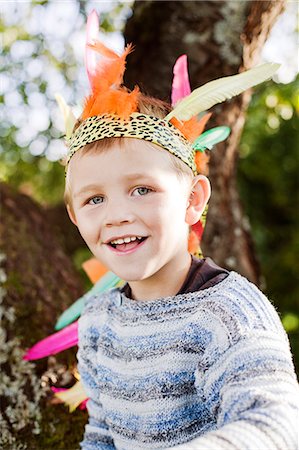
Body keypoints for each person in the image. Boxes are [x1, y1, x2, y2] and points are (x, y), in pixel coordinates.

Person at [61, 17, 299, 450]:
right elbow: (100, 435)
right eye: (94, 199)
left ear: (192, 200)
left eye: (142, 189)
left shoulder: (229, 313)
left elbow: (274, 426)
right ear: (76, 217)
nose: (116, 215)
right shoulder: (98, 322)